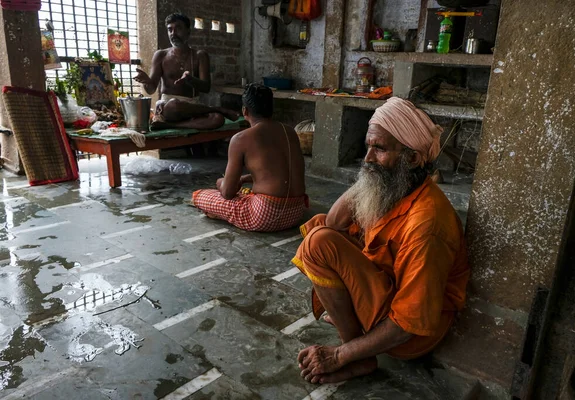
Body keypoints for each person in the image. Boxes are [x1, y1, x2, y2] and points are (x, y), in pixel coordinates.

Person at [292, 97, 470, 384]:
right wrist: (369, 177)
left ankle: (358, 355)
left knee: (318, 244)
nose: (367, 159)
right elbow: (335, 222)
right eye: (368, 147)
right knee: (322, 232)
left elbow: (407, 325)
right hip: (386, 293)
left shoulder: (427, 223)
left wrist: (339, 355)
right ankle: (357, 333)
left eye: (379, 149)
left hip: (408, 336)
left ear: (411, 158)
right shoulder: (398, 187)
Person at [192, 83, 308, 232]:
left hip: (266, 217)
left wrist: (221, 183)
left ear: (245, 111)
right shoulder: (289, 131)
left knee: (201, 196)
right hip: (296, 212)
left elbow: (228, 193)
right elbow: (276, 172)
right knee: (244, 192)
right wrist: (244, 179)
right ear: (271, 110)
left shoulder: (240, 138)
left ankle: (219, 208)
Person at [133, 13, 240, 130]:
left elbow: (206, 88)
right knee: (174, 105)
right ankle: (216, 108)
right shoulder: (161, 55)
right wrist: (146, 81)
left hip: (193, 108)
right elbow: (150, 90)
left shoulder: (200, 55)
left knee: (218, 119)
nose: (173, 33)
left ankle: (169, 126)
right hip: (169, 108)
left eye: (178, 28)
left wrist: (190, 80)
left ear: (188, 32)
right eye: (170, 30)